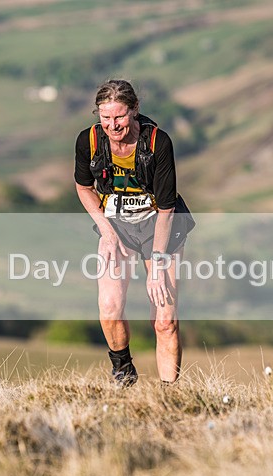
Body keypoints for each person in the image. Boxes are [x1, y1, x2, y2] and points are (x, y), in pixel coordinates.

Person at [74, 79, 195, 387]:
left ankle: (169, 396)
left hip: (161, 226)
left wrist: (157, 264)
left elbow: (167, 208)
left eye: (119, 117)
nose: (112, 125)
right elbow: (83, 187)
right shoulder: (87, 141)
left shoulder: (158, 143)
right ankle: (124, 372)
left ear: (134, 110)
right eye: (105, 117)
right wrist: (107, 232)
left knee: (164, 320)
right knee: (110, 307)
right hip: (116, 227)